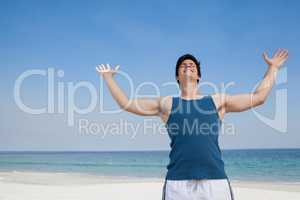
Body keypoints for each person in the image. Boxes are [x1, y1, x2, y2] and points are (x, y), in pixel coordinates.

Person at [96, 49, 288, 200]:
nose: (188, 65)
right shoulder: (167, 104)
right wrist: (108, 78)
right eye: (183, 65)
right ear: (178, 77)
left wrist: (273, 68)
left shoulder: (217, 101)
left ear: (199, 76)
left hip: (216, 181)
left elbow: (259, 97)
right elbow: (126, 103)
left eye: (193, 64)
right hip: (177, 183)